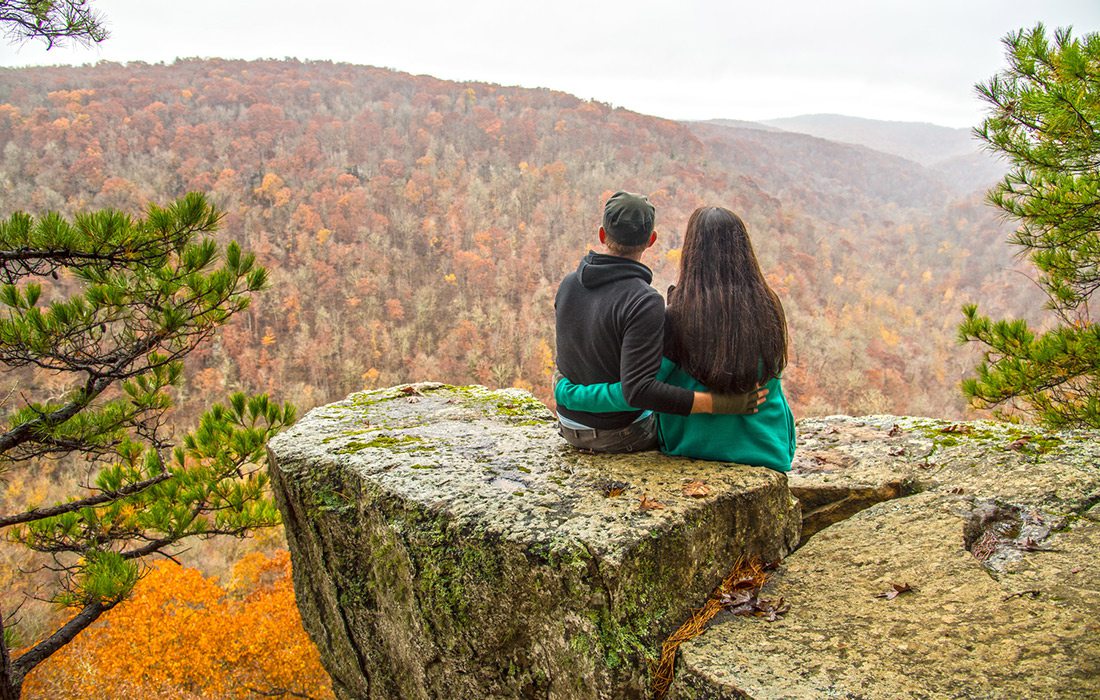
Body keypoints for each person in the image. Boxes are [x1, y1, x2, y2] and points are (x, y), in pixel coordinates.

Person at [555, 206, 795, 472]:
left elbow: (635, 393)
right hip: (768, 448)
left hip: (692, 446)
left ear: (691, 253)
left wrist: (568, 393)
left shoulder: (679, 318)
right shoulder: (769, 306)